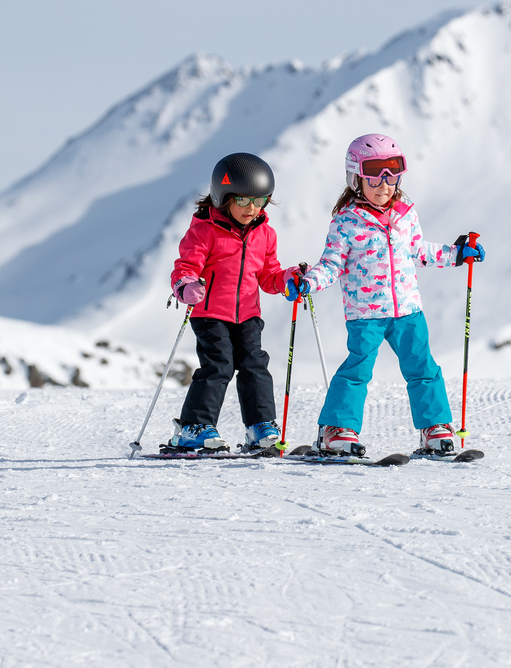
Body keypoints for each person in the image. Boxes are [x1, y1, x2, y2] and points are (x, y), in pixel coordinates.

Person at [286, 134, 486, 456]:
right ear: (356, 178)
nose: (385, 184)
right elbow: (332, 264)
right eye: (375, 175)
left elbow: (419, 250)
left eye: (392, 175)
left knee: (422, 366)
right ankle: (336, 430)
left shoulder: (406, 214)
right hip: (366, 313)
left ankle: (434, 427)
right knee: (358, 369)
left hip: (407, 308)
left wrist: (458, 254)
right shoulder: (346, 222)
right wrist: (309, 282)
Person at [168, 152, 299, 452]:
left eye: (260, 201)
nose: (251, 208)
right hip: (210, 313)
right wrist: (186, 286)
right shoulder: (204, 230)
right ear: (222, 196)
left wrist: (287, 280)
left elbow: (268, 276)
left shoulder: (265, 234)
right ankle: (194, 427)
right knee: (219, 366)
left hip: (248, 314)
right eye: (242, 200)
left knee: (255, 365)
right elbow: (185, 267)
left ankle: (259, 426)